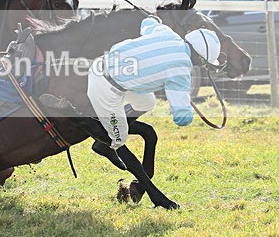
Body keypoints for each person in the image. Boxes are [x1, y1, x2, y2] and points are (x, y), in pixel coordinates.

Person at [86, 16, 221, 151]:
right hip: (105, 87)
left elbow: (148, 22)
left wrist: (153, 17)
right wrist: (187, 116)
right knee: (118, 140)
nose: (202, 66)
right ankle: (99, 127)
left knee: (148, 102)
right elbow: (181, 117)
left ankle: (117, 119)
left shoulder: (168, 34)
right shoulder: (181, 71)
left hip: (104, 67)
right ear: (199, 57)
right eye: (204, 63)